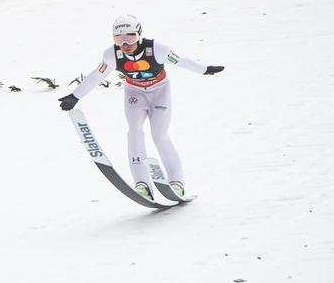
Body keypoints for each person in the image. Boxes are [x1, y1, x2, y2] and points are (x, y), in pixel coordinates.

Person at [58, 14, 224, 201]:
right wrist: (75, 96)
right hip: (134, 93)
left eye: (130, 37)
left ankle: (177, 182)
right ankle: (142, 184)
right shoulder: (112, 54)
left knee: (159, 136)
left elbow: (181, 61)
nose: (125, 43)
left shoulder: (157, 49)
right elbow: (97, 75)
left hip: (160, 91)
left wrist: (204, 69)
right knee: (134, 132)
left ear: (139, 34)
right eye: (118, 38)